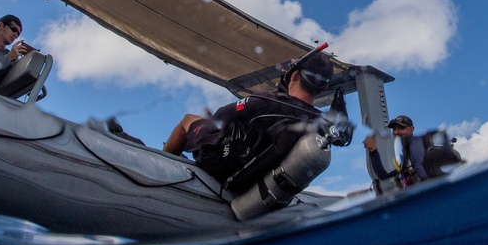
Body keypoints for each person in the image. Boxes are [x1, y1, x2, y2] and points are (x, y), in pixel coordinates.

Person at [163, 54, 335, 190]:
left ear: (294, 74)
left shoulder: (266, 102)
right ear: (324, 87)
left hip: (223, 164)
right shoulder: (320, 123)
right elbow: (292, 109)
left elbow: (222, 114)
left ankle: (164, 163)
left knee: (189, 119)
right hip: (257, 180)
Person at [363, 114, 429, 188]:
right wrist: (373, 149)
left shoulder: (422, 149)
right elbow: (383, 175)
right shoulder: (403, 157)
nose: (396, 132)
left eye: (401, 128)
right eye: (394, 129)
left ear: (411, 129)